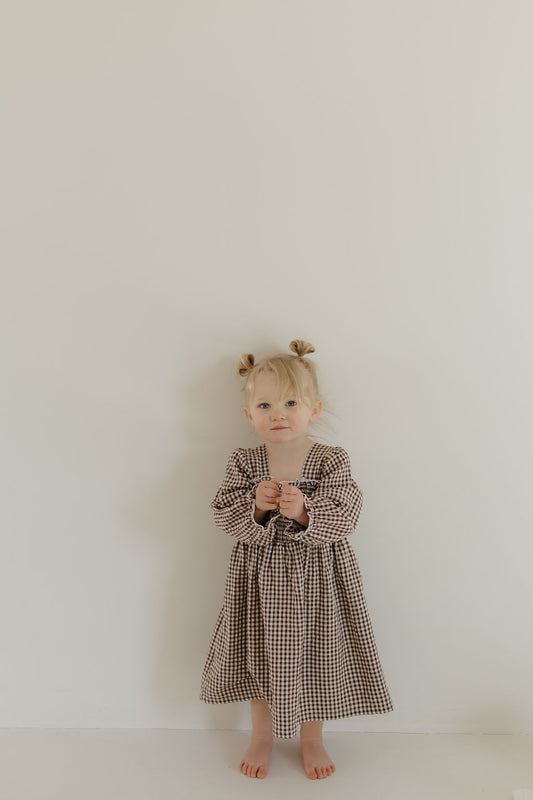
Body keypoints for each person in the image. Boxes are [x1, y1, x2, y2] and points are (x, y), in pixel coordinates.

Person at [200, 339, 393, 780]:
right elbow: (222, 513)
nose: (278, 414)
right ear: (250, 415)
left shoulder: (330, 460)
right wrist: (257, 506)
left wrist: (306, 512)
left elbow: (348, 511)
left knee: (318, 652)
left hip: (320, 577)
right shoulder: (245, 462)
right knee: (261, 652)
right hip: (259, 578)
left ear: (315, 408)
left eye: (290, 402)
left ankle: (312, 737)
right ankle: (262, 735)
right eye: (265, 405)